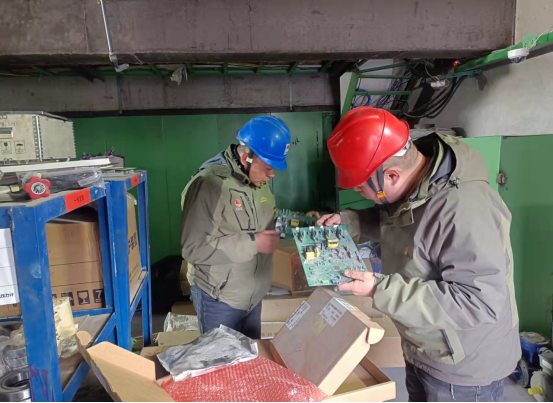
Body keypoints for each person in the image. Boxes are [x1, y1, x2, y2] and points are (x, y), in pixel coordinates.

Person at [317, 106, 520, 403]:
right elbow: (397, 219)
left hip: (463, 368)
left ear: (391, 175)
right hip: (426, 343)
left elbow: (478, 302)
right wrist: (349, 222)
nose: (361, 194)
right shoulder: (418, 186)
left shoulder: (464, 210)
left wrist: (378, 288)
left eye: (361, 189)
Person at [181, 116, 291, 340]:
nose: (272, 174)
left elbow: (269, 220)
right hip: (220, 299)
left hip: (253, 296)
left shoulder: (259, 183)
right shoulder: (211, 185)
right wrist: (254, 243)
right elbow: (194, 248)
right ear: (246, 157)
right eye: (268, 167)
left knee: (251, 358)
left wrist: (304, 222)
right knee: (221, 359)